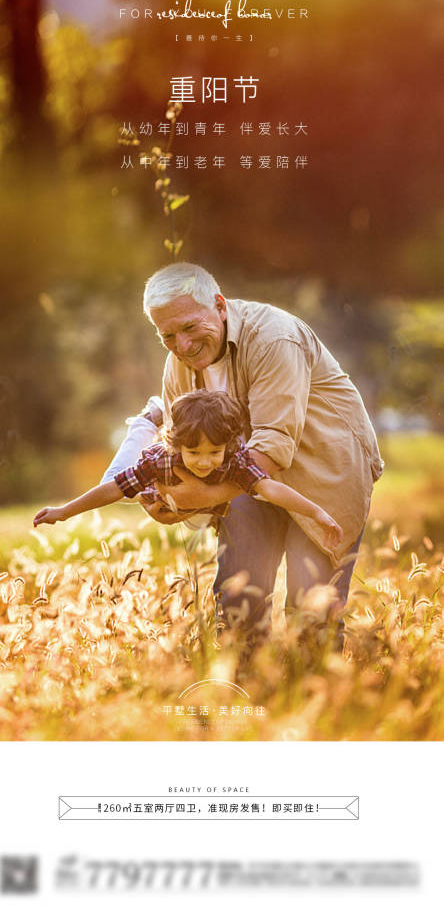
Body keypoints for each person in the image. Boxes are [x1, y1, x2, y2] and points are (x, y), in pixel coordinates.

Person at [102, 262, 384, 639]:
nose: (182, 346)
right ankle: (247, 690)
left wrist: (194, 499)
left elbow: (269, 449)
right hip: (244, 477)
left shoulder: (274, 338)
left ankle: (318, 690)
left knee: (311, 609)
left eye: (189, 327)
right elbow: (179, 445)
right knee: (238, 602)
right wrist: (167, 499)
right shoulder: (178, 364)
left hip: (323, 473)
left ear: (219, 306)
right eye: (167, 335)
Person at [33, 391, 343, 558]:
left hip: (198, 502)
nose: (205, 462)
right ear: (177, 444)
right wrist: (64, 511)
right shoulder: (159, 459)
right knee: (114, 481)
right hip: (161, 486)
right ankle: (150, 418)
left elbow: (270, 489)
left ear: (227, 445)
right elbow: (113, 489)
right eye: (194, 452)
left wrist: (316, 513)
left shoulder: (235, 457)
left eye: (213, 452)